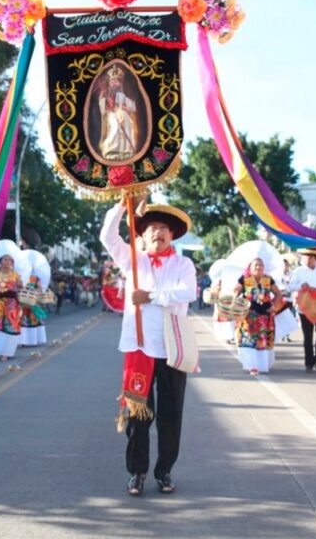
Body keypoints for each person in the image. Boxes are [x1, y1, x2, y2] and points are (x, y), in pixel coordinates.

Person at [100, 201, 196, 496]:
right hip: (139, 347)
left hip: (171, 348)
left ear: (172, 235)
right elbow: (107, 236)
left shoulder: (183, 264)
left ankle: (164, 471)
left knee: (170, 415)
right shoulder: (133, 259)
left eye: (164, 229)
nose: (159, 233)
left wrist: (150, 296)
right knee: (137, 415)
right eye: (152, 228)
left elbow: (188, 292)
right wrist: (122, 204)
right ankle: (137, 473)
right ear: (142, 235)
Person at [232, 257, 281, 376]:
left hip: (265, 315)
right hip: (249, 315)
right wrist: (235, 299)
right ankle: (252, 366)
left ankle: (262, 365)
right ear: (250, 267)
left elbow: (278, 293)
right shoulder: (244, 279)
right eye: (256, 265)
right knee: (249, 340)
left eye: (260, 265)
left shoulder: (268, 279)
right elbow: (236, 291)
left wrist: (274, 305)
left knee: (263, 340)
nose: (258, 267)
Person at [289, 248, 316, 373]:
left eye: (312, 257)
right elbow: (291, 286)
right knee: (308, 336)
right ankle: (309, 362)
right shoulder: (298, 271)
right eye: (307, 257)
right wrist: (301, 287)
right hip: (305, 306)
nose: (309, 259)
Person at [97, 64, 140, 162]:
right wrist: (105, 101)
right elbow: (103, 108)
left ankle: (126, 151)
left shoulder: (123, 95)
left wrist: (123, 107)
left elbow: (132, 108)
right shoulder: (106, 95)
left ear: (120, 83)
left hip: (124, 115)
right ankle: (111, 150)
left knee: (128, 126)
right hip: (111, 115)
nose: (114, 84)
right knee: (115, 127)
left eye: (116, 81)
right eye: (112, 82)